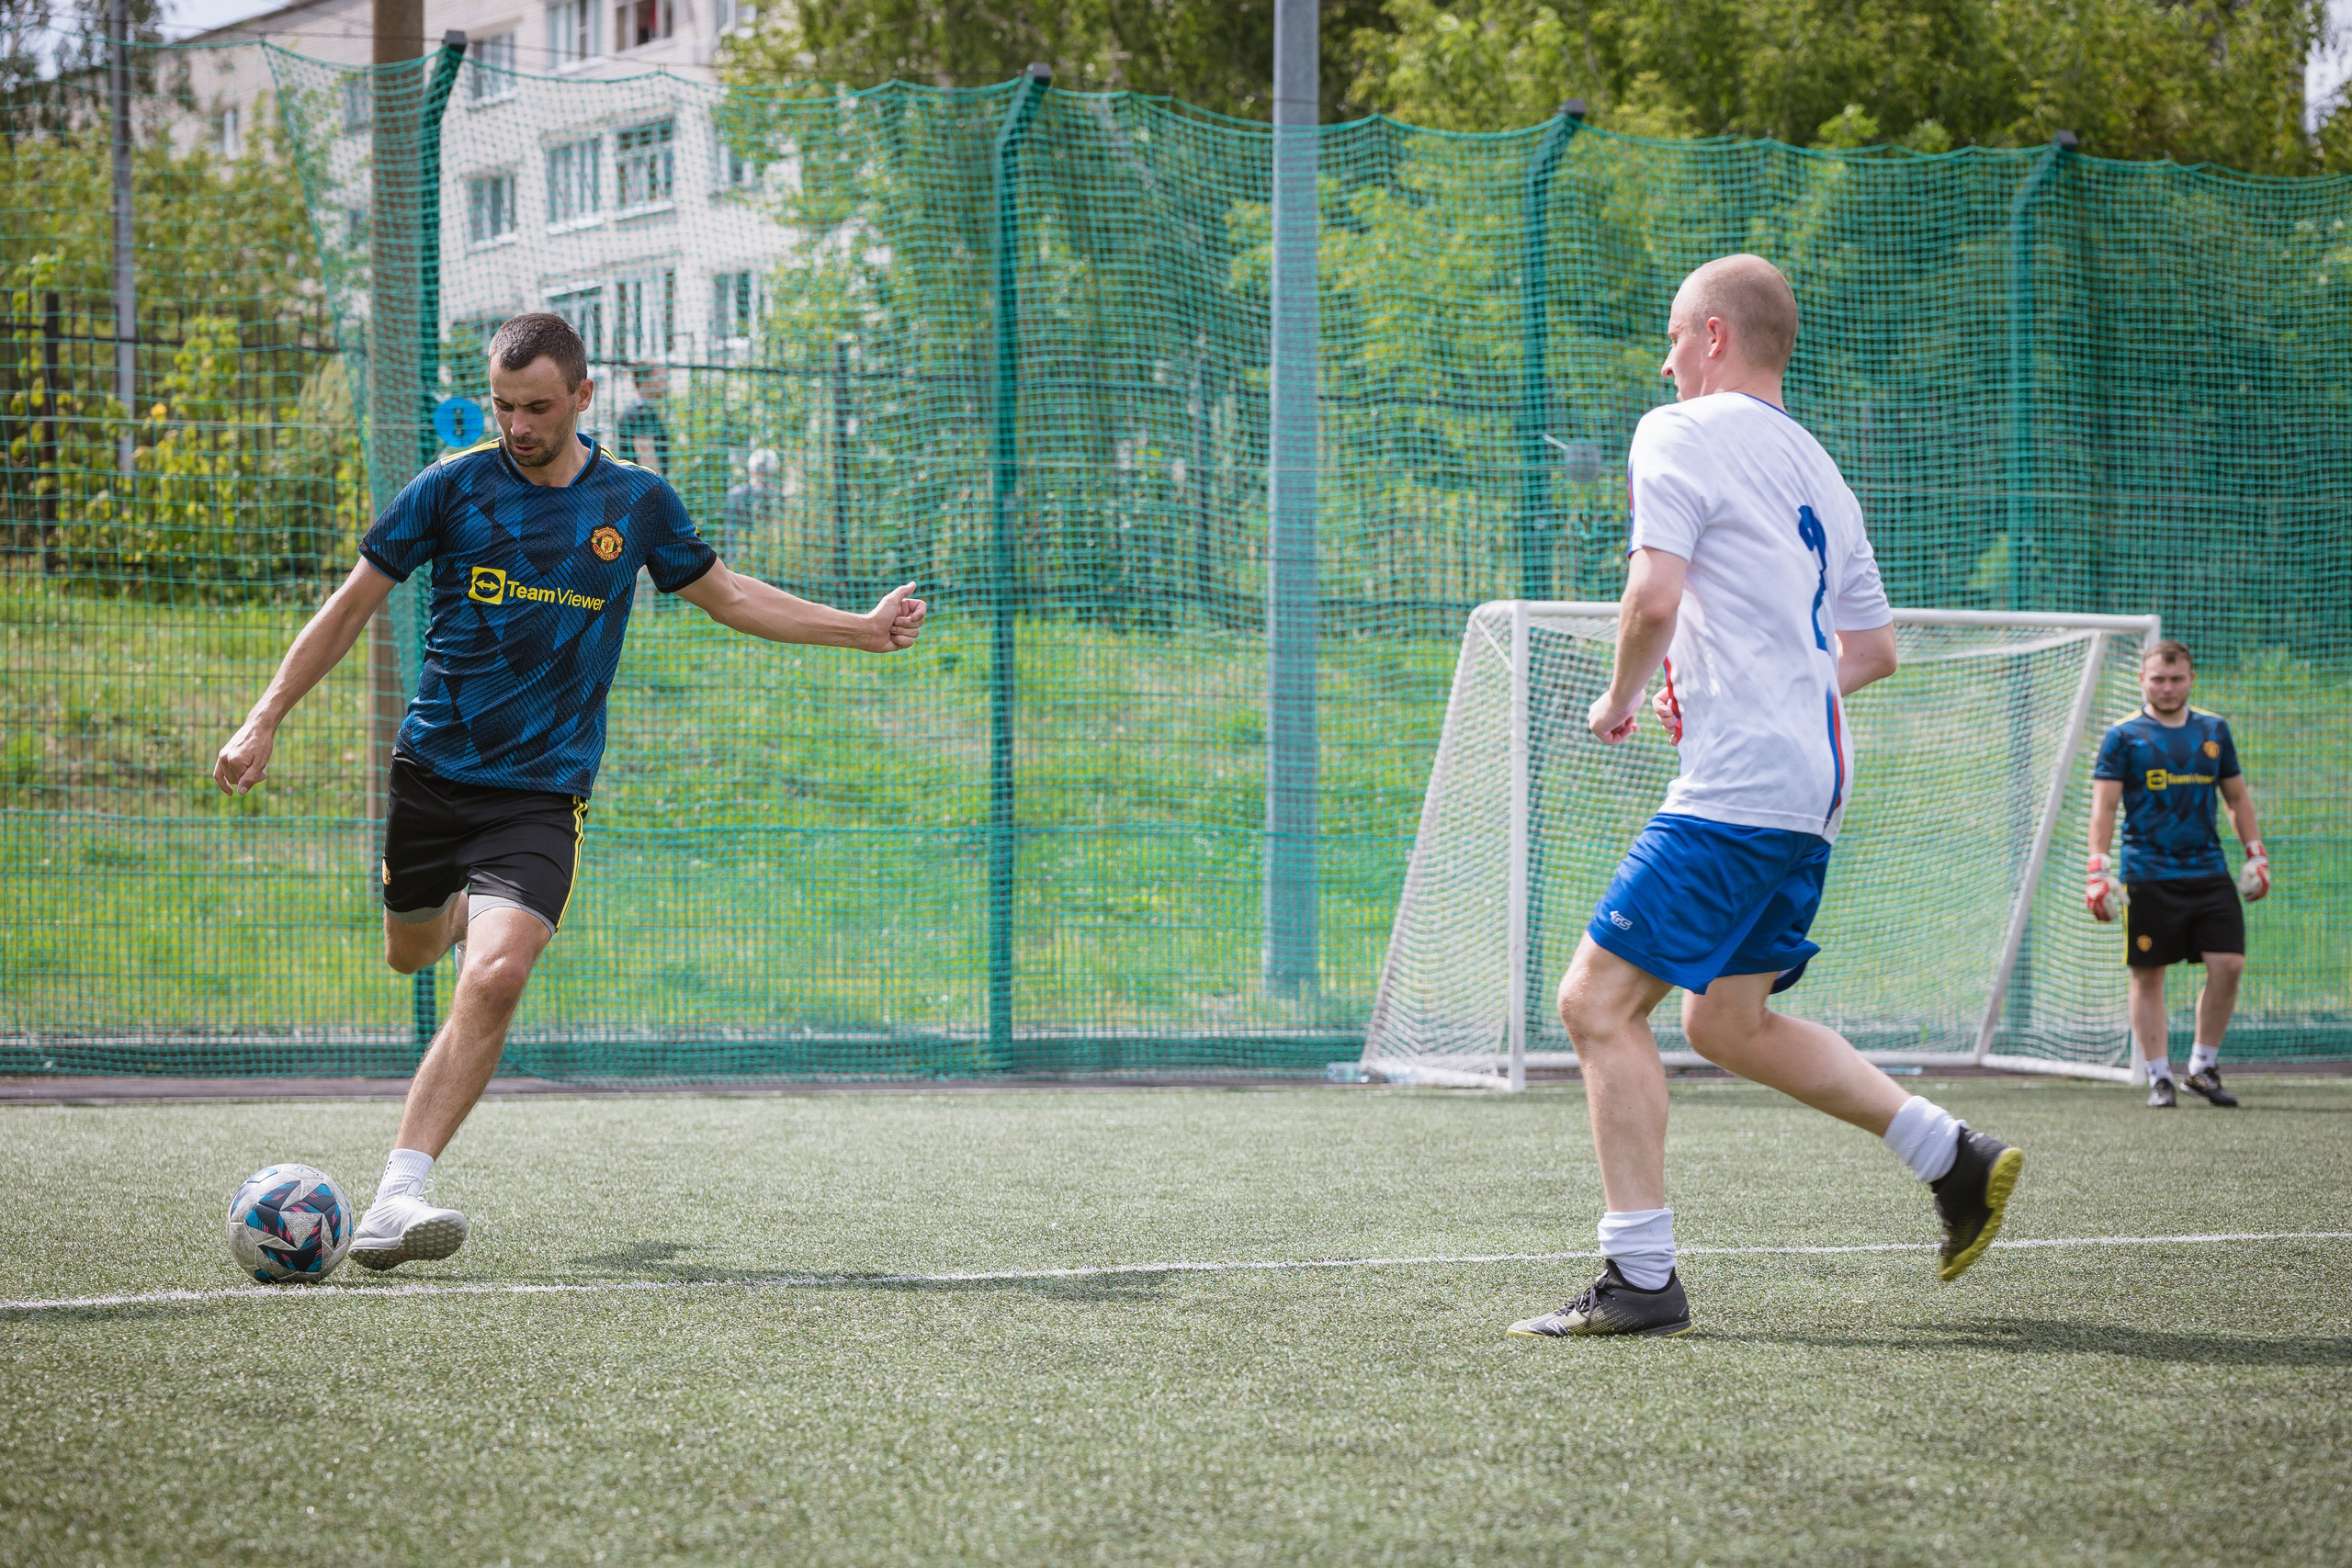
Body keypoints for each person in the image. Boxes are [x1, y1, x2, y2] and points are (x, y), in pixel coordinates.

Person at [211, 313, 926, 1271]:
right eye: (504, 406)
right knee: (408, 953)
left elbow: (731, 596)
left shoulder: (635, 504)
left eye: (537, 407)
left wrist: (862, 629)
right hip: (433, 776)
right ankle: (460, 908)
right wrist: (263, 717)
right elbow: (349, 612)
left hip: (540, 795)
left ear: (583, 397)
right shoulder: (449, 489)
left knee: (497, 976)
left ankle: (396, 1197)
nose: (517, 424)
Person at [1508, 254, 2023, 1341]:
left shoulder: (1677, 430)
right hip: (1813, 780)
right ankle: (1951, 1156)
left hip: (1739, 781)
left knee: (1596, 1005)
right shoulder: (1823, 472)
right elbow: (1872, 650)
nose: (1661, 360)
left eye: (1670, 336)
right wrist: (1754, 689)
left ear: (1711, 339)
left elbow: (1651, 595)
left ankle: (1640, 1278)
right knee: (1727, 1020)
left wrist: (1619, 698)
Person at [2085, 640, 2266, 1110]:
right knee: (2149, 974)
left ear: (2191, 678)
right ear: (2142, 680)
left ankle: (2202, 1069)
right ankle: (2159, 1075)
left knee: (2229, 964)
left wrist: (2255, 854)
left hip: (2208, 870)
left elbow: (2236, 798)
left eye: (2176, 678)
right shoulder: (2123, 736)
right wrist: (2098, 869)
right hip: (2148, 873)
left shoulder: (2214, 730)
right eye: (2158, 679)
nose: (2167, 688)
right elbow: (2104, 805)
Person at [719, 447, 782, 570]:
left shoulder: (735, 493)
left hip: (742, 559)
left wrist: (731, 559)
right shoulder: (773, 495)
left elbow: (730, 532)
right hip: (767, 558)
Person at [617, 360, 670, 474]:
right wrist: (661, 491)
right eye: (661, 379)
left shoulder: (637, 409)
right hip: (644, 489)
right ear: (646, 381)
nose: (666, 384)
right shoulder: (641, 412)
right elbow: (648, 466)